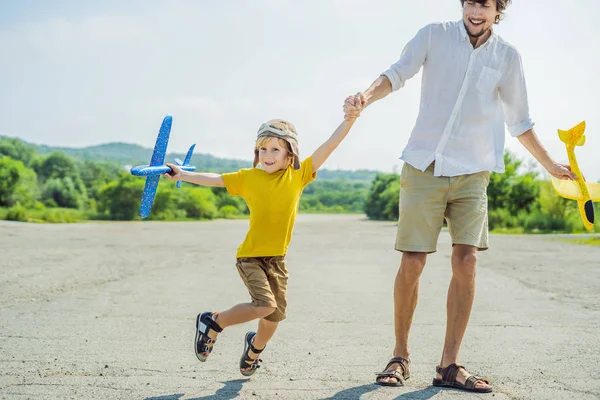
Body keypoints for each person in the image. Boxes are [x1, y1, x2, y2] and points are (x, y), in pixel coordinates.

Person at [344, 0, 576, 393]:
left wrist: (550, 165)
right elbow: (397, 73)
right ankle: (400, 355)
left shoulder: (507, 56)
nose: (475, 11)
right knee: (413, 262)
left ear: (498, 10)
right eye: (470, 2)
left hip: (473, 172)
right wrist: (366, 96)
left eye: (484, 4)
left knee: (466, 261)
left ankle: (449, 365)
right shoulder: (434, 35)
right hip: (424, 165)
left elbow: (519, 120)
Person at [164, 97, 364, 376]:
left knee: (274, 316)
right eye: (262, 149)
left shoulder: (300, 174)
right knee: (265, 305)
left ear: (289, 153)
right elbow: (217, 179)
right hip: (251, 256)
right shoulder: (249, 178)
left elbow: (329, 145)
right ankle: (213, 321)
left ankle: (253, 350)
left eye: (274, 149)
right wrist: (182, 174)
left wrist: (349, 120)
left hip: (277, 260)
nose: (267, 154)